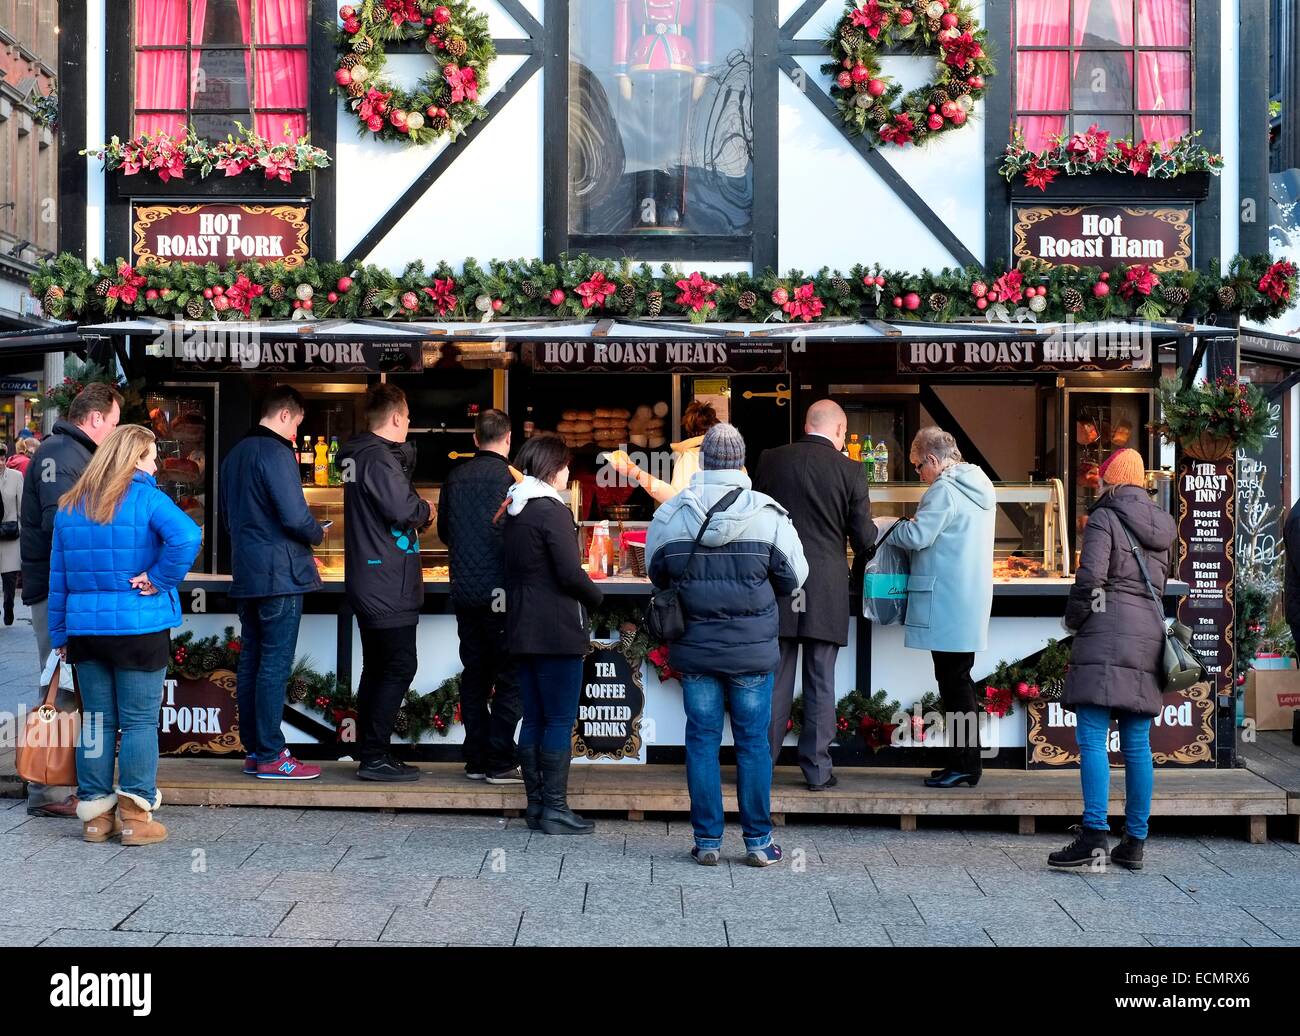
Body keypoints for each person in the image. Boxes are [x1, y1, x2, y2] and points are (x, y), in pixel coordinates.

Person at [646, 423, 808, 866]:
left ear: (703, 462)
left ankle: (707, 843)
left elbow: (656, 572)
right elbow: (795, 577)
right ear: (740, 462)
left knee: (701, 740)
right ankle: (758, 843)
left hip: (695, 648)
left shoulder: (672, 513)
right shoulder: (768, 513)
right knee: (753, 742)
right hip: (751, 651)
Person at [49, 425, 202, 844]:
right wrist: (160, 578)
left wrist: (60, 632)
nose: (155, 466)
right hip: (138, 628)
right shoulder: (147, 498)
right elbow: (189, 535)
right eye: (152, 457)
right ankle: (136, 819)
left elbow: (57, 579)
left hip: (85, 631)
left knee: (95, 722)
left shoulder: (70, 505)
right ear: (135, 459)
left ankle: (96, 819)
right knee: (138, 724)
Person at [1050, 448, 1176, 871]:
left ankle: (1093, 835)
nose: (1098, 486)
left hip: (1105, 635)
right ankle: (1134, 843)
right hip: (1147, 638)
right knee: (1138, 745)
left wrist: (1073, 620)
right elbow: (1155, 587)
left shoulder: (1105, 517)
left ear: (1113, 481)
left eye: (1101, 480)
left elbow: (1092, 579)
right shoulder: (1164, 524)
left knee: (1092, 738)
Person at [755, 400, 875, 791]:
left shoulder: (771, 460)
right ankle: (817, 771)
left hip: (780, 583)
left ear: (807, 424)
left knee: (775, 678)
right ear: (840, 431)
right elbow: (863, 538)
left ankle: (763, 766)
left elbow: (757, 519)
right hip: (825, 587)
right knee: (821, 680)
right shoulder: (851, 470)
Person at [19, 382, 122, 818]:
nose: (114, 434)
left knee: (67, 688)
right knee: (58, 688)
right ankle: (47, 791)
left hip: (65, 589)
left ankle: (64, 785)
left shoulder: (68, 452)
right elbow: (58, 522)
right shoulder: (62, 456)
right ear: (95, 418)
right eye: (114, 424)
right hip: (57, 591)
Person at [219, 385, 324, 781]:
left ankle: (255, 750)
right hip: (280, 575)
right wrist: (318, 533)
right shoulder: (277, 452)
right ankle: (271, 754)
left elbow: (229, 520)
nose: (297, 429)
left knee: (252, 663)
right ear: (284, 415)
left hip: (246, 573)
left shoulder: (234, 455)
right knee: (273, 666)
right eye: (297, 422)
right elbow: (296, 517)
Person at [503, 434, 604, 834]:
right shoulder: (551, 510)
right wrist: (596, 596)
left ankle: (537, 807)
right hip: (557, 628)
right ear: (551, 468)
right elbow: (568, 572)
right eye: (565, 466)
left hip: (522, 625)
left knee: (534, 718)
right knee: (560, 719)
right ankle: (556, 810)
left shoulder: (515, 506)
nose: (568, 473)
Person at [889, 427, 994, 789]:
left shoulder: (944, 489)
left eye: (919, 466)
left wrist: (889, 526)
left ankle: (965, 765)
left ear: (933, 460)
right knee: (959, 683)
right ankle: (963, 762)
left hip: (947, 601)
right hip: (966, 599)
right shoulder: (978, 483)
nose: (919, 474)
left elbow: (918, 536)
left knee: (955, 686)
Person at [338, 384, 432, 782]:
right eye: (408, 415)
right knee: (397, 664)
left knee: (378, 666)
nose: (409, 422)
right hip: (385, 580)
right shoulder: (377, 458)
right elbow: (401, 509)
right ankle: (374, 756)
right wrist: (427, 509)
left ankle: (372, 752)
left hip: (375, 577)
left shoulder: (362, 455)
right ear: (396, 417)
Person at [438, 408, 523, 784]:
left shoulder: (454, 477)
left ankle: (475, 758)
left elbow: (443, 532)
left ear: (475, 439)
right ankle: (500, 761)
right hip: (502, 593)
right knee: (509, 676)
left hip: (465, 592)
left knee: (475, 674)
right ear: (508, 439)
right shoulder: (512, 480)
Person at [609, 399, 720, 504]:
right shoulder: (729, 455)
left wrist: (636, 473)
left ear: (690, 432)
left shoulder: (691, 456)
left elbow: (676, 498)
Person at [0, 444, 22, 625]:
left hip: (10, 536)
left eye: (2, 459)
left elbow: (22, 507)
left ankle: (9, 606)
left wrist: (21, 530)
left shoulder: (16, 477)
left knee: (9, 580)